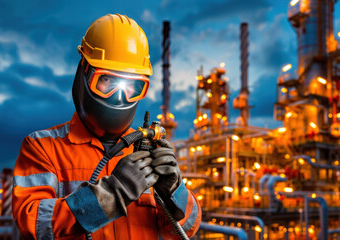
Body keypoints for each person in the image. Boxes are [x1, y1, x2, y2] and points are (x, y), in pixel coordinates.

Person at [12, 14, 201, 239]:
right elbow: (33, 223)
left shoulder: (146, 152)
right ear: (84, 74)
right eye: (108, 81)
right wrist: (112, 194)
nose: (119, 96)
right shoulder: (43, 147)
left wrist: (174, 192)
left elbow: (187, 230)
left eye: (132, 86)